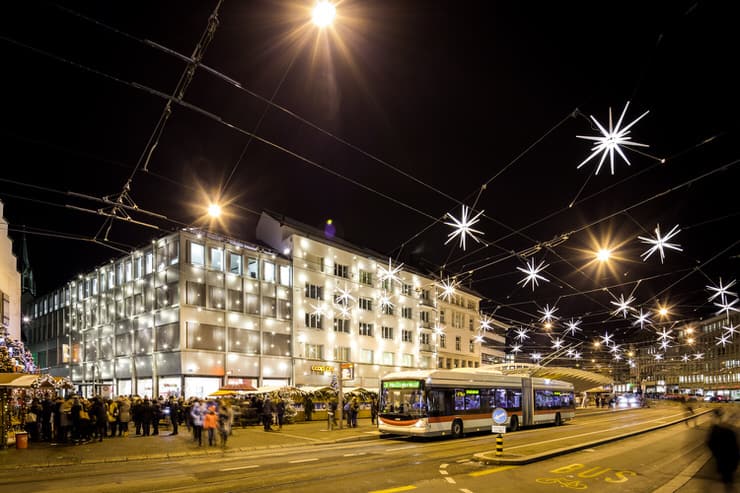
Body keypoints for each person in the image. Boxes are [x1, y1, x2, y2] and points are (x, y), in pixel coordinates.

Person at [707, 409, 739, 491]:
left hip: (722, 459)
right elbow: (736, 447)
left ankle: (728, 486)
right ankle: (729, 486)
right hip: (730, 460)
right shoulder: (731, 432)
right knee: (729, 479)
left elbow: (710, 443)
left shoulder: (716, 430)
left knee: (726, 478)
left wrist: (715, 453)